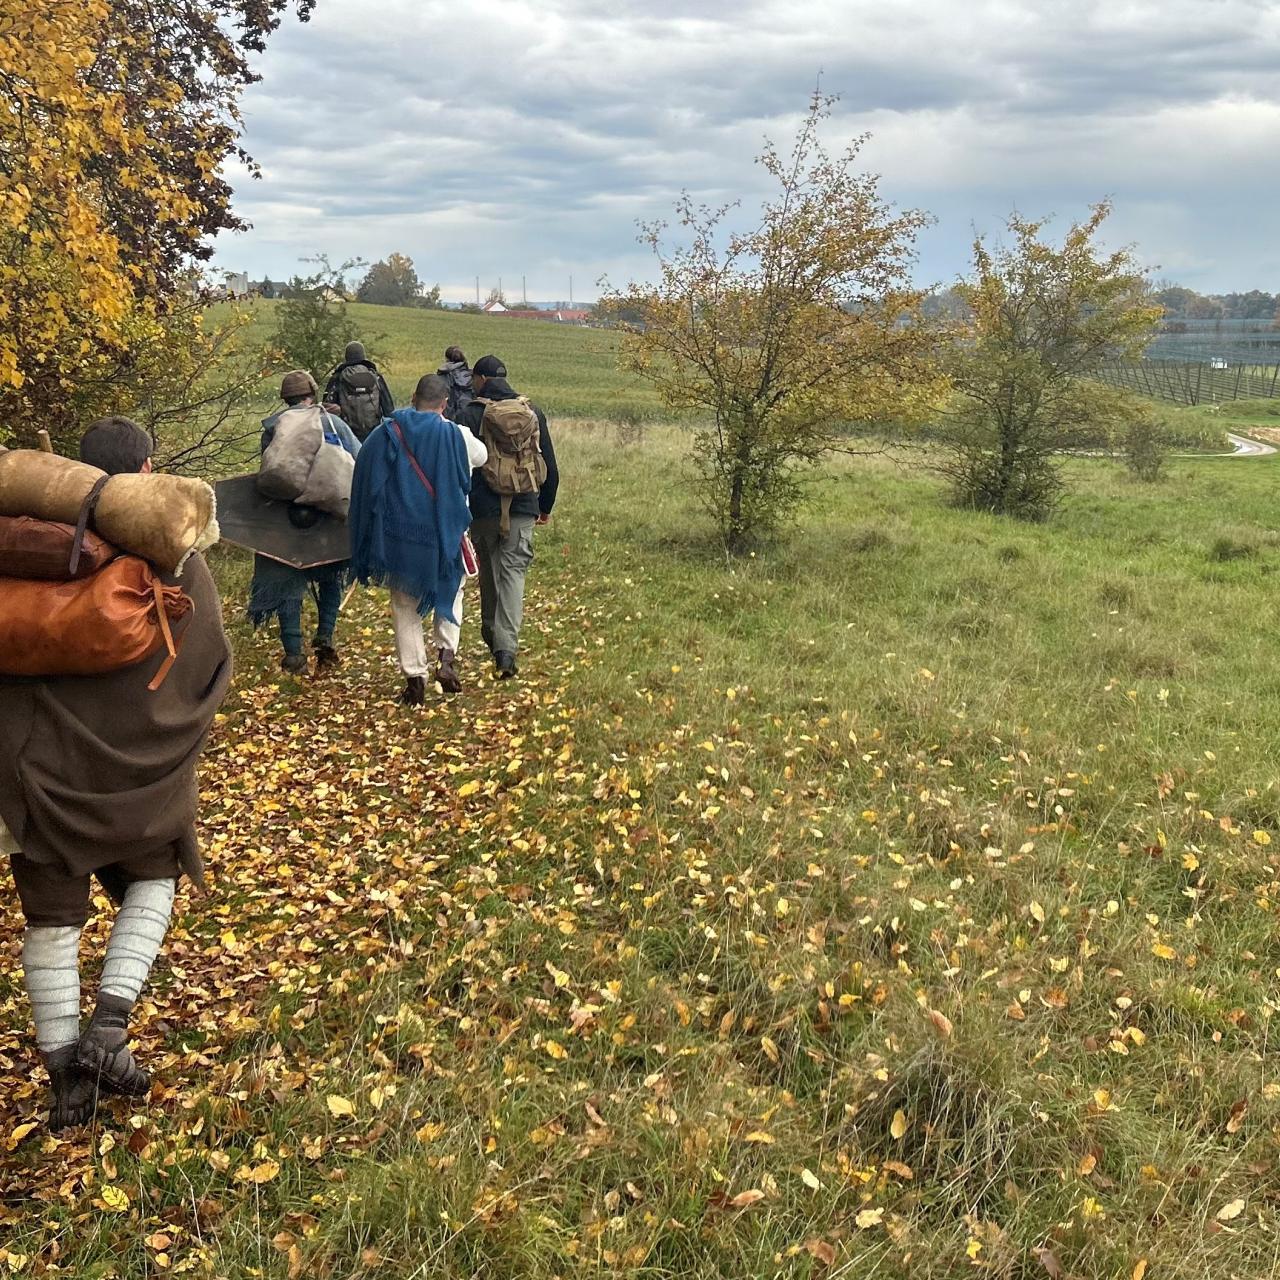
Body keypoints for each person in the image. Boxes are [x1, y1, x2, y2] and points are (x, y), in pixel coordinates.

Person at [0, 418, 232, 1129]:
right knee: (158, 874)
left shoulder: (21, 551)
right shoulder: (173, 558)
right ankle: (108, 1028)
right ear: (149, 471)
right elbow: (205, 664)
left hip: (30, 771)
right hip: (138, 779)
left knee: (52, 916)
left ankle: (65, 1079)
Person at [349, 374, 482, 703]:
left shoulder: (386, 433)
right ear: (445, 403)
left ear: (412, 397)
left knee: (405, 606)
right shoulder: (457, 435)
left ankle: (415, 680)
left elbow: (365, 475)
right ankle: (446, 658)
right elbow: (482, 457)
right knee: (451, 594)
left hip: (402, 537)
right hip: (446, 535)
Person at [247, 371, 361, 675]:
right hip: (330, 515)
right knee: (331, 576)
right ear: (312, 392)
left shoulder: (274, 427)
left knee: (288, 581)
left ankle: (294, 654)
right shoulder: (333, 423)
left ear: (286, 398)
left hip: (287, 516)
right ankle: (325, 637)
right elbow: (359, 459)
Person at [460, 354, 559, 678]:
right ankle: (506, 651)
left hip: (483, 509)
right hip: (523, 506)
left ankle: (492, 633)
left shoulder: (469, 414)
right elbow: (550, 466)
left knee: (490, 574)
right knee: (514, 575)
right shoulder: (532, 413)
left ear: (481, 380)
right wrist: (545, 507)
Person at [322, 341, 395, 441]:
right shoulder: (375, 376)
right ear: (363, 356)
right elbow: (389, 408)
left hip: (347, 434)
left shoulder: (338, 377)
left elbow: (326, 409)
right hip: (373, 434)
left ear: (346, 357)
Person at [437, 346, 474, 421]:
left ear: (447, 359)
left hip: (448, 416)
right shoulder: (472, 375)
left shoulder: (444, 375)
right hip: (469, 416)